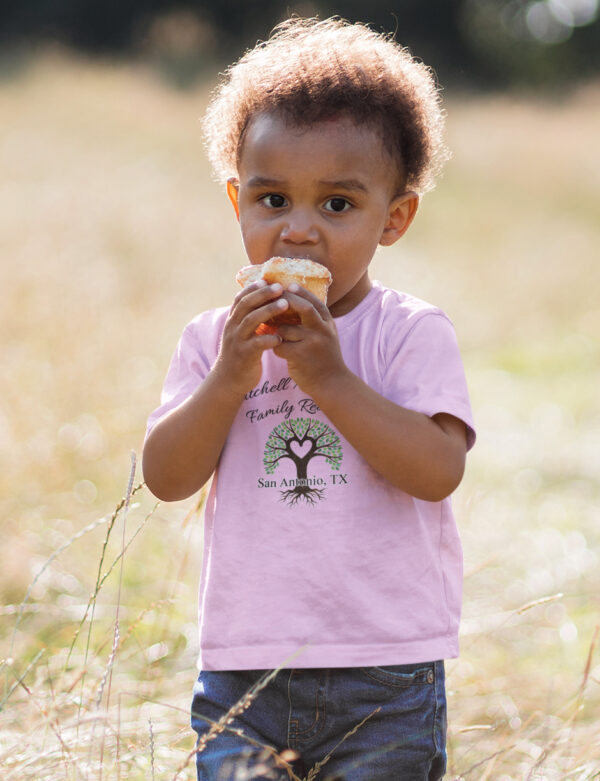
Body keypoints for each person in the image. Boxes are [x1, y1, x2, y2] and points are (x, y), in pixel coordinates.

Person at [142, 16, 476, 781]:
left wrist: (329, 379)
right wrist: (230, 378)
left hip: (385, 673)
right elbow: (166, 477)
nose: (298, 230)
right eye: (271, 200)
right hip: (244, 675)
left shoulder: (407, 334)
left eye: (336, 205)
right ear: (237, 202)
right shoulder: (214, 341)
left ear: (393, 217)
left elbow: (437, 470)